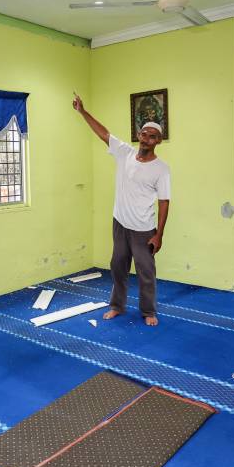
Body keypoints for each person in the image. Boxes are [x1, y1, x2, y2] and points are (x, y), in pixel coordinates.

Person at [73, 94, 170, 326]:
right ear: (139, 135)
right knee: (117, 266)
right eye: (144, 134)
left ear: (158, 141)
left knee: (146, 272)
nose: (147, 139)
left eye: (153, 137)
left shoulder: (162, 169)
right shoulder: (124, 153)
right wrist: (82, 111)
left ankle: (148, 311)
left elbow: (164, 202)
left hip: (144, 229)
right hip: (120, 224)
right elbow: (103, 133)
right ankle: (117, 306)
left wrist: (159, 235)